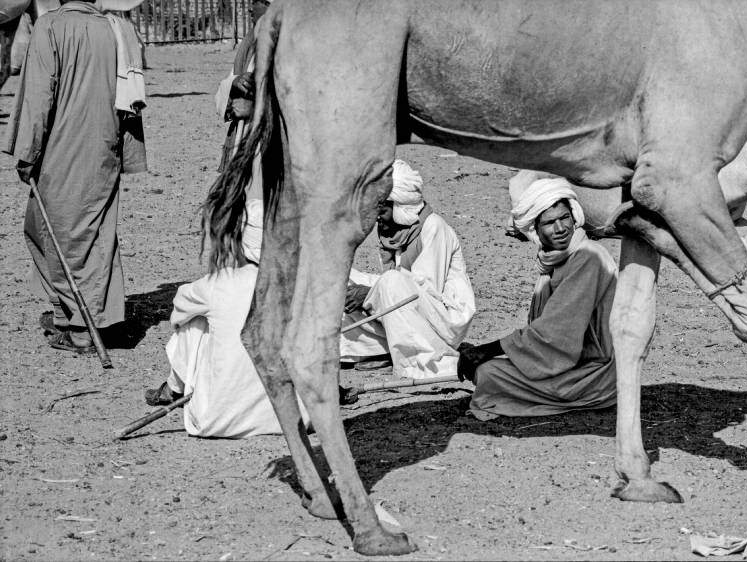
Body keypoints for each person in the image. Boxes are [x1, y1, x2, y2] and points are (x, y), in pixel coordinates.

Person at [4, 0, 147, 353]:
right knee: (65, 228)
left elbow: (38, 96)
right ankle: (68, 313)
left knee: (67, 233)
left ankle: (84, 329)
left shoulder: (50, 27)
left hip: (61, 146)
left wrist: (27, 152)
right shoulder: (116, 29)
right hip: (103, 144)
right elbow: (133, 98)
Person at [145, 199, 310, 438]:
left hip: (219, 418)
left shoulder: (221, 284)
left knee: (195, 322)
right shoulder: (302, 282)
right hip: (297, 418)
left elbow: (179, 307)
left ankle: (174, 388)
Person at [458, 176, 618, 419]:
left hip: (593, 374)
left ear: (575, 217)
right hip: (567, 363)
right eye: (550, 223)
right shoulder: (554, 259)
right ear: (535, 230)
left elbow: (555, 335)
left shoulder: (588, 258)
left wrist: (486, 351)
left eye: (565, 218)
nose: (561, 228)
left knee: (488, 374)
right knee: (487, 373)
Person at [340, 159, 476, 379]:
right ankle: (384, 350)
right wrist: (369, 294)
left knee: (390, 281)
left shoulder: (433, 228)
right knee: (342, 280)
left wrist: (370, 295)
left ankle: (419, 363)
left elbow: (422, 292)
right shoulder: (394, 231)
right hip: (403, 310)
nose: (374, 216)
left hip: (442, 322)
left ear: (399, 206)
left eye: (380, 208)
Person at [214, 0, 269, 198]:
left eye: (257, 2)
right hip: (243, 141)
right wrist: (235, 82)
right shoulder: (250, 41)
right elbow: (224, 89)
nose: (250, 8)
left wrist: (255, 111)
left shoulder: (290, 45)